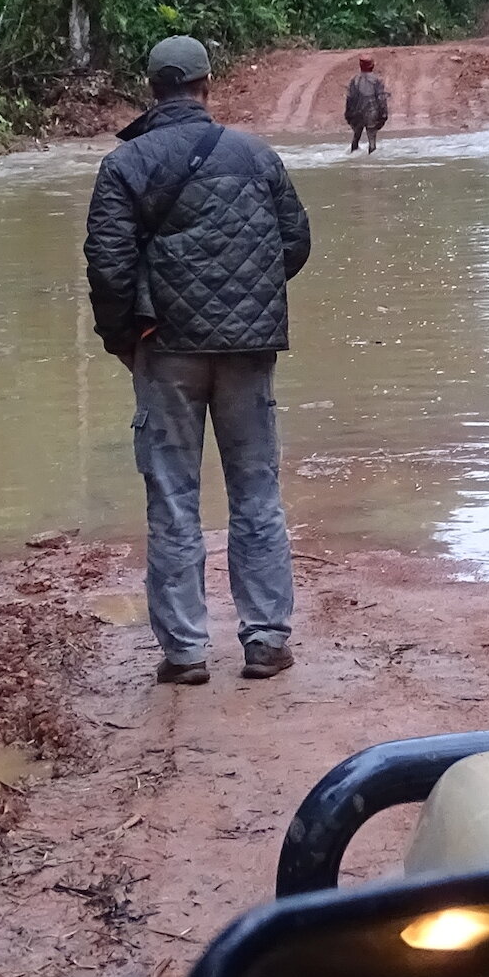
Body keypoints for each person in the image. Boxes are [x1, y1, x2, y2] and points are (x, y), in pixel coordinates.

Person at [85, 35, 312, 686]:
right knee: (256, 495)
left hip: (165, 350)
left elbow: (108, 267)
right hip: (248, 349)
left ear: (152, 89)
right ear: (207, 87)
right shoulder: (255, 153)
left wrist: (122, 339)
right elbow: (294, 242)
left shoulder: (126, 166)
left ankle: (185, 652)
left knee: (174, 501)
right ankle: (266, 640)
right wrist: (248, 297)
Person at [345, 55, 391, 152]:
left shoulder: (354, 80)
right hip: (372, 113)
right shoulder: (377, 80)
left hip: (357, 113)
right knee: (372, 141)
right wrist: (383, 114)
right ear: (372, 66)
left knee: (356, 138)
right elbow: (381, 99)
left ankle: (353, 158)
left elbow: (350, 99)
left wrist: (348, 114)